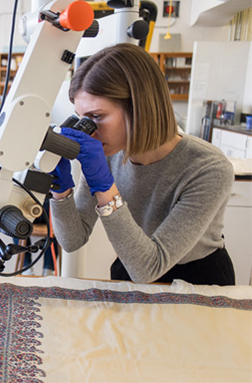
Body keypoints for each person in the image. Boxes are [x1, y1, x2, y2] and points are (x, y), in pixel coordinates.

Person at [50, 43, 235, 286]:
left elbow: (149, 269)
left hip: (197, 280)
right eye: (81, 117)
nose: (89, 130)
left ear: (138, 109)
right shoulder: (108, 152)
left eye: (96, 116)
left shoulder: (208, 168)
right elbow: (72, 240)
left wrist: (105, 188)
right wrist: (60, 191)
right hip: (132, 262)